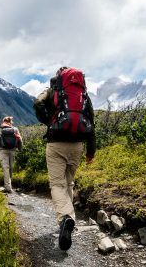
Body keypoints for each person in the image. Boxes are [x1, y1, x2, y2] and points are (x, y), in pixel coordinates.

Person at [34, 67, 96, 251]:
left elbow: (38, 102)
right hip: (77, 145)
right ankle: (68, 218)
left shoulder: (53, 90)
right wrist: (90, 152)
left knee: (57, 185)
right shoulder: (83, 95)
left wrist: (49, 121)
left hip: (56, 143)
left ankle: (65, 218)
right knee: (69, 184)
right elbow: (91, 122)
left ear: (59, 77)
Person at [0, 116, 23, 193]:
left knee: (5, 168)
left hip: (3, 151)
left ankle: (8, 187)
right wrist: (20, 149)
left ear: (3, 121)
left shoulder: (0, 130)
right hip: (13, 151)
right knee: (10, 168)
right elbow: (20, 140)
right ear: (11, 122)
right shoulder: (15, 129)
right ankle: (8, 186)